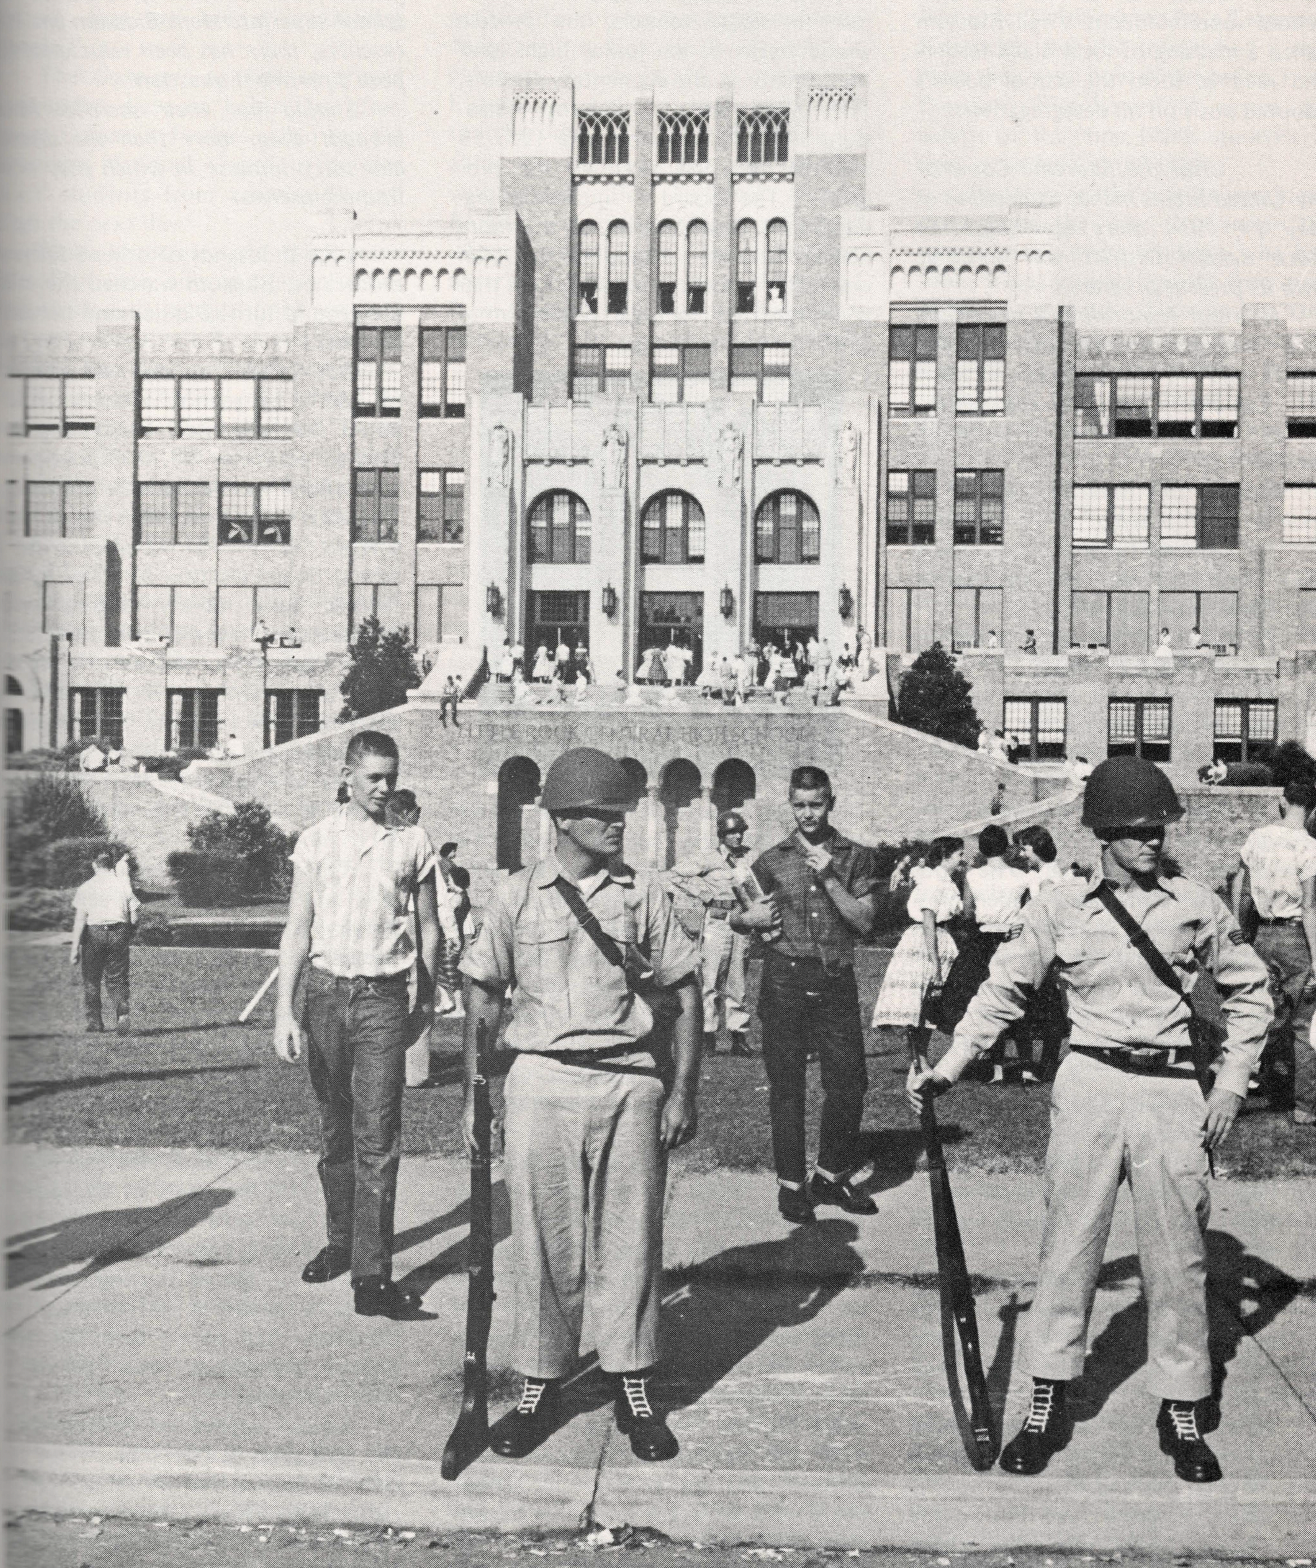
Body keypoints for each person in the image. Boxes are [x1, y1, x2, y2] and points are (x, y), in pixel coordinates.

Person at [907, 757, 1272, 1485]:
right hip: (1091, 1083)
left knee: (1179, 1256)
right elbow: (1002, 990)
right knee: (1069, 1247)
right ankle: (1048, 1397)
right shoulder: (1062, 907)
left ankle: (1183, 1405)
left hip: (1172, 1089)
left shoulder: (1195, 904)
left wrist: (1230, 1085)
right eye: (1134, 833)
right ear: (1103, 835)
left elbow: (1251, 992)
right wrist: (949, 1065)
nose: (1149, 844)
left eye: (1157, 831)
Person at [460, 747, 701, 1462]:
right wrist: (477, 1099)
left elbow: (684, 995)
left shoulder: (645, 894)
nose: (619, 825)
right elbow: (482, 997)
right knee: (542, 1240)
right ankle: (540, 1382)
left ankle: (632, 1379)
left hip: (630, 1080)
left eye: (621, 813)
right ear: (562, 819)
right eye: (602, 814)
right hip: (542, 1080)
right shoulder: (513, 896)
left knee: (631, 1238)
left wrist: (683, 1089)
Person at [273, 731, 441, 1318]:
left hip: (382, 1001)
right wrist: (283, 1012)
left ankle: (372, 1275)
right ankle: (341, 1243)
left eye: (391, 776)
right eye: (373, 777)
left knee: (378, 1134)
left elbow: (430, 928)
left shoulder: (412, 842)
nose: (384, 787)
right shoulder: (316, 842)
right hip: (324, 996)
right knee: (335, 1131)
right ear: (346, 776)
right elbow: (297, 926)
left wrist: (426, 997)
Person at [732, 766, 880, 1224]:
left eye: (816, 804)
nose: (808, 814)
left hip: (835, 979)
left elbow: (865, 922)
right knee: (788, 1085)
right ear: (790, 805)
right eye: (799, 805)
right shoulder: (771, 859)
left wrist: (831, 877)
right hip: (785, 980)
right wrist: (747, 922)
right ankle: (791, 1185)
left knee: (849, 1083)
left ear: (831, 802)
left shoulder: (855, 857)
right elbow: (741, 916)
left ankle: (830, 1176)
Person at [1235, 777, 1316, 1124]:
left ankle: (1237, 1088)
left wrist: (1241, 932)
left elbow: (1241, 887)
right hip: (1295, 936)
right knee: (1302, 1025)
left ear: (1283, 803)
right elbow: (1310, 906)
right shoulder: (1310, 848)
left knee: (1257, 1017)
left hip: (1262, 936)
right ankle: (1304, 1107)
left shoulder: (1257, 838)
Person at [937, 825, 1029, 1082]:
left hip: (982, 941)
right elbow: (1026, 911)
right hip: (1012, 940)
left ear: (982, 848)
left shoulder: (973, 876)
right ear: (1006, 847)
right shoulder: (1020, 876)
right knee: (1015, 998)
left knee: (983, 999)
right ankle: (1023, 1064)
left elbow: (968, 913)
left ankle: (997, 1068)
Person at [871, 836, 965, 1085]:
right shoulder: (933, 880)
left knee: (929, 1005)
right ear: (946, 856)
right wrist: (934, 962)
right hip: (926, 942)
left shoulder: (945, 881)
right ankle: (919, 1059)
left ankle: (920, 1056)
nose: (961, 859)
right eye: (958, 854)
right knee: (920, 1003)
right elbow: (928, 919)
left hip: (940, 938)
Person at [385, 790, 462, 1088]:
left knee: (390, 995)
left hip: (390, 921)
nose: (419, 815)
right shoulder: (416, 837)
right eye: (416, 810)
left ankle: (388, 1065)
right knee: (421, 996)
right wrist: (452, 931)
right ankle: (416, 1072)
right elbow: (438, 896)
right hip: (417, 920)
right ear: (407, 812)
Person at [669, 810, 755, 1058]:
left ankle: (739, 1036)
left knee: (737, 981)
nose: (737, 836)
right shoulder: (709, 858)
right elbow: (676, 875)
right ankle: (708, 1037)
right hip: (717, 921)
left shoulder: (747, 857)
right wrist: (704, 893)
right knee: (710, 980)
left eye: (740, 831)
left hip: (741, 921)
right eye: (732, 832)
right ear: (722, 835)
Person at [1011, 825, 1067, 1080]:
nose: (1022, 854)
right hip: (1037, 945)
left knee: (1044, 1008)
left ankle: (1042, 1065)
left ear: (1037, 848)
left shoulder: (1048, 877)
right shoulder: (1043, 873)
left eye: (1025, 848)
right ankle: (1037, 1064)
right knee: (1040, 1007)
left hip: (1043, 948)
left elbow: (1048, 917)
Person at [70, 850, 140, 1033]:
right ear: (111, 865)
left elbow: (80, 919)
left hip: (94, 933)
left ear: (95, 865)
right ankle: (121, 1009)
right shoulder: (123, 885)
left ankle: (95, 1022)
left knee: (91, 978)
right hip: (119, 931)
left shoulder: (86, 887)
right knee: (117, 977)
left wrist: (74, 947)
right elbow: (135, 918)